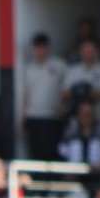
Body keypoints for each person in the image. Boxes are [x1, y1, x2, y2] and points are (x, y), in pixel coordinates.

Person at [22, 33, 65, 161]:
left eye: (42, 47)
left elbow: (66, 88)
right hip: (33, 116)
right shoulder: (29, 68)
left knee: (51, 151)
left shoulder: (59, 65)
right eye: (37, 47)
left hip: (52, 116)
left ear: (48, 48)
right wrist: (23, 120)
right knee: (35, 151)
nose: (40, 51)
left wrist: (64, 107)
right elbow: (26, 95)